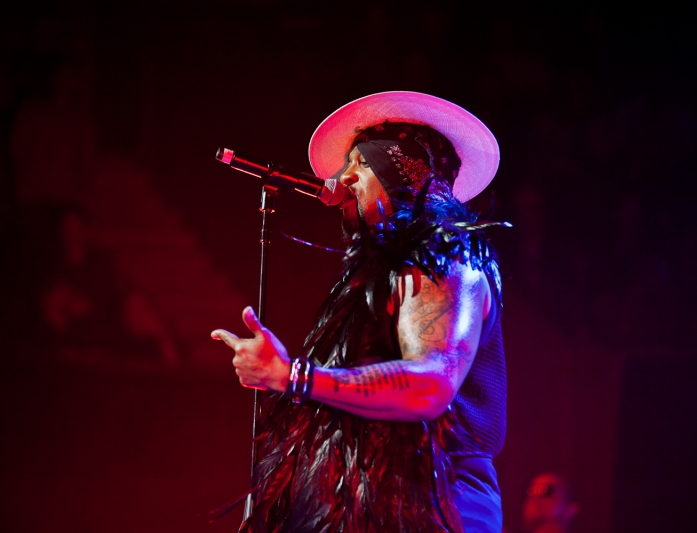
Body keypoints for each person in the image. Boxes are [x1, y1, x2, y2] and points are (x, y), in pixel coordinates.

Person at [211, 91, 508, 533]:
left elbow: (430, 385)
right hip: (369, 503)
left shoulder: (445, 261)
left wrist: (295, 376)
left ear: (403, 173)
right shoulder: (380, 276)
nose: (342, 179)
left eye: (360, 165)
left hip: (439, 502)